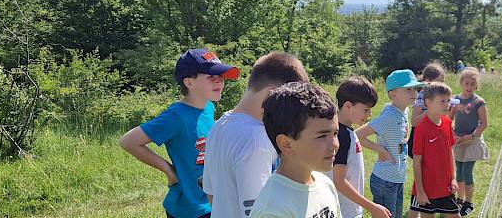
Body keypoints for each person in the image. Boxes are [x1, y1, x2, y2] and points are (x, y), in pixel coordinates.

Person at [120, 48, 240, 218]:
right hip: (189, 208)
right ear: (189, 83)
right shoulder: (176, 116)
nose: (219, 82)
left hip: (211, 200)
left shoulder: (208, 107)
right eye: (211, 77)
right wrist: (169, 171)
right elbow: (128, 141)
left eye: (220, 77)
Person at [203, 52, 310, 218]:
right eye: (290, 105)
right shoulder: (257, 139)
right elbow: (260, 213)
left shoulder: (219, 125)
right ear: (271, 95)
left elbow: (211, 194)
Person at [250, 82, 342, 218]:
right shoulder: (273, 209)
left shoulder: (325, 184)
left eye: (335, 134)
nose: (335, 144)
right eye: (322, 136)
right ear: (286, 144)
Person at [356, 69, 422, 218]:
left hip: (396, 177)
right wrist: (380, 149)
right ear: (393, 95)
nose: (414, 93)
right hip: (385, 181)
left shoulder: (403, 111)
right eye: (408, 89)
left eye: (415, 88)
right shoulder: (389, 116)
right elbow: (358, 135)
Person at [328, 77, 391, 218]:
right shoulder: (341, 135)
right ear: (348, 106)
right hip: (342, 212)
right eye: (366, 109)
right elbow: (338, 180)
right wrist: (372, 207)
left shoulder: (348, 131)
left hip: (350, 209)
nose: (369, 114)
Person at [410, 82, 460, 217]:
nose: (447, 104)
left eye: (448, 100)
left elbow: (450, 153)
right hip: (427, 190)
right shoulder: (421, 129)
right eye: (442, 101)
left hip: (445, 187)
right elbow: (416, 162)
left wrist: (453, 178)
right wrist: (420, 191)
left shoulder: (448, 123)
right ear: (428, 103)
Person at [449, 68, 490, 216]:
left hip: (472, 141)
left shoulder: (478, 102)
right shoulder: (455, 100)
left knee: (467, 172)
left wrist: (472, 136)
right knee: (458, 171)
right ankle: (460, 200)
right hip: (459, 140)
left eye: (472, 84)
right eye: (466, 83)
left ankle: (469, 203)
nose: (469, 86)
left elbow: (484, 124)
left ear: (476, 86)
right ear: (461, 83)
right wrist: (451, 132)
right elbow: (449, 119)